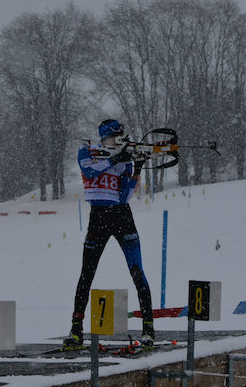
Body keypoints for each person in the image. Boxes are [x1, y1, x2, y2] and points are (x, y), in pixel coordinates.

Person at [63, 119, 155, 349]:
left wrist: (138, 167)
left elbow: (124, 196)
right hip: (98, 218)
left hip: (122, 216)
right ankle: (76, 331)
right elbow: (88, 172)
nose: (118, 141)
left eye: (121, 137)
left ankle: (149, 329)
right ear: (104, 138)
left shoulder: (125, 161)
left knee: (137, 271)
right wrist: (114, 158)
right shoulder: (88, 151)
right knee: (87, 274)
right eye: (115, 137)